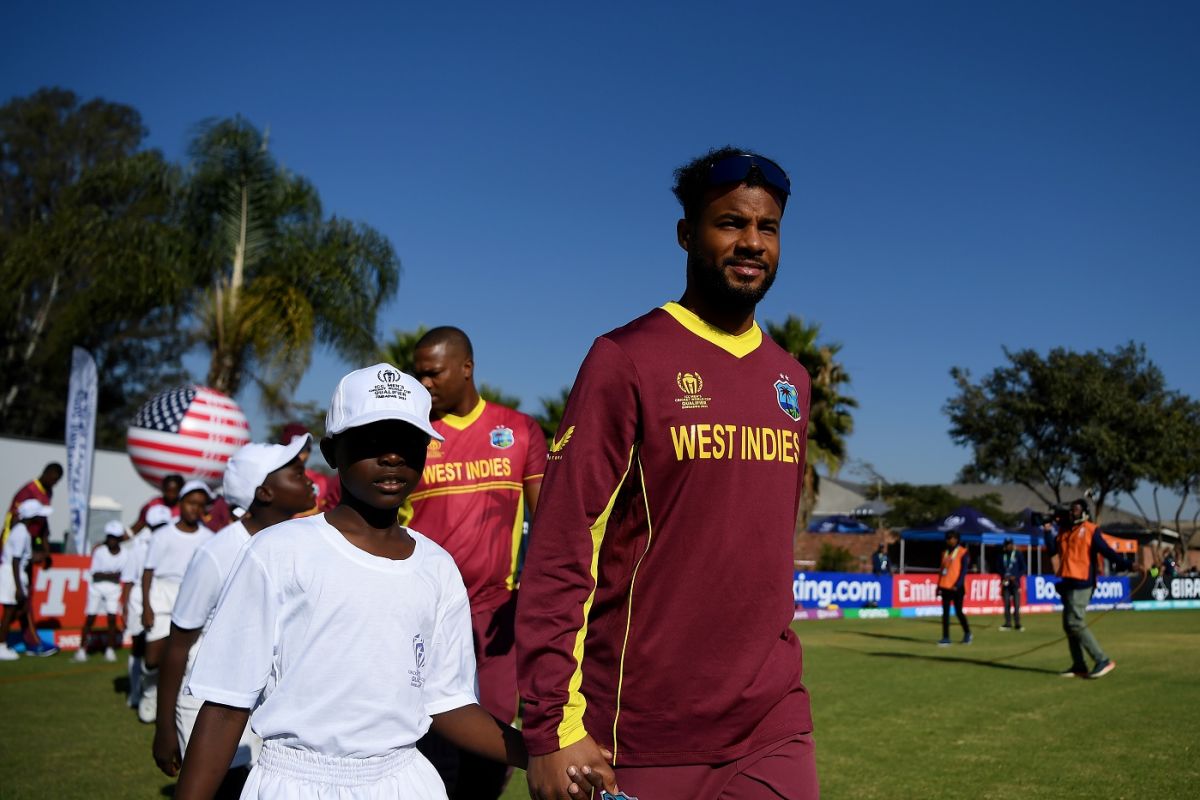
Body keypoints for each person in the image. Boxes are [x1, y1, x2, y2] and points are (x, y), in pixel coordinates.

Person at [516, 147, 819, 800]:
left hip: (772, 722)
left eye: (767, 228)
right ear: (687, 234)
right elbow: (563, 545)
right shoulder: (626, 359)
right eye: (730, 223)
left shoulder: (790, 379)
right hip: (641, 733)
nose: (752, 242)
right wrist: (549, 728)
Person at [175, 365, 577, 800]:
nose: (392, 456)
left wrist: (539, 752)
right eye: (372, 441)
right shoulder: (278, 552)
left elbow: (448, 704)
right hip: (293, 782)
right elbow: (225, 707)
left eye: (408, 442)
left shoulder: (437, 567)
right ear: (333, 452)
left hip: (403, 782)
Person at [407, 325, 548, 799]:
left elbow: (548, 520)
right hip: (423, 611)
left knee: (493, 730)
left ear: (466, 368)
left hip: (495, 612)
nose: (423, 383)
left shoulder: (520, 430)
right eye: (418, 374)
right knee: (425, 731)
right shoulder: (410, 437)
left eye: (433, 373)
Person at [153, 437, 316, 797]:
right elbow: (178, 644)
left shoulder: (300, 543)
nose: (310, 479)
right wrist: (164, 726)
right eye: (297, 472)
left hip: (263, 699)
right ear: (265, 493)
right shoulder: (216, 553)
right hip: (210, 702)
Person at [138, 480, 216, 723]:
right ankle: (149, 689)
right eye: (191, 503)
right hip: (162, 593)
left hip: (192, 595)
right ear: (180, 503)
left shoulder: (210, 537)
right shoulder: (162, 535)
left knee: (188, 655)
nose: (195, 509)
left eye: (200, 505)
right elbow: (148, 572)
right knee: (153, 655)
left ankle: (176, 704)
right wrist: (146, 606)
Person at [1042, 498, 1134, 679]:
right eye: (1071, 509)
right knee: (1068, 626)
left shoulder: (1091, 530)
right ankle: (1079, 665)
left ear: (1084, 512)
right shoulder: (1064, 531)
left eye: (1075, 509)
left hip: (1083, 581)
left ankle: (1102, 660)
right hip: (1067, 581)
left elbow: (1107, 551)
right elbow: (1053, 550)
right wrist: (1046, 532)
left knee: (1075, 622)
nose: (1071, 512)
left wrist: (1127, 564)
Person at [122, 504, 174, 708]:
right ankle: (135, 692)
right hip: (138, 600)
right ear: (149, 527)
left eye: (164, 525)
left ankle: (154, 694)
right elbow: (128, 579)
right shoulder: (139, 547)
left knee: (162, 649)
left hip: (163, 598)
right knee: (138, 647)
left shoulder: (170, 544)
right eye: (156, 526)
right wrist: (126, 606)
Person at [0, 500, 60, 658]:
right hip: (13, 575)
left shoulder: (22, 531)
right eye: (39, 515)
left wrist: (38, 557)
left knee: (21, 609)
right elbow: (15, 560)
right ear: (33, 517)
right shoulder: (21, 533)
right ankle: (1, 645)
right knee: (10, 611)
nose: (42, 519)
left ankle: (2, 639)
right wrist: (18, 587)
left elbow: (22, 557)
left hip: (15, 573)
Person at [74, 520, 129, 662]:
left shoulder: (125, 554)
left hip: (113, 589)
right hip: (96, 588)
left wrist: (108, 575)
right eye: (109, 536)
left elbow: (121, 576)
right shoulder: (100, 551)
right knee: (90, 618)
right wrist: (112, 575)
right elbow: (95, 574)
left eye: (115, 537)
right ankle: (81, 650)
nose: (111, 540)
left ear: (119, 539)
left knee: (111, 619)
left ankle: (110, 650)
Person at [279, 422, 341, 516]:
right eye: (292, 448)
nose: (299, 454)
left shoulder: (323, 482)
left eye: (304, 449)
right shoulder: (269, 480)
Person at [4, 462, 61, 556]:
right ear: (46, 473)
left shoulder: (49, 492)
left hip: (32, 540)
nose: (55, 483)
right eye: (54, 479)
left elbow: (43, 520)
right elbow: (13, 516)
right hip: (17, 540)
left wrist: (45, 548)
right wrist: (12, 540)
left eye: (57, 481)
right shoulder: (30, 490)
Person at [937, 529, 972, 646]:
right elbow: (942, 571)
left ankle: (967, 633)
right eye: (947, 538)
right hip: (945, 586)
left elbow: (963, 571)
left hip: (957, 587)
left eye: (950, 538)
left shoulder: (963, 552)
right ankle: (946, 637)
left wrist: (958, 584)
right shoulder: (945, 552)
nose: (948, 540)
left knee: (958, 612)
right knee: (945, 613)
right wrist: (938, 586)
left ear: (956, 539)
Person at [996, 538, 1026, 631]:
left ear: (1012, 545)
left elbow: (1023, 568)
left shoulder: (1018, 554)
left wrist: (1015, 576)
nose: (1008, 546)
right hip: (1006, 583)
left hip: (1015, 583)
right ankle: (1008, 624)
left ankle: (1017, 624)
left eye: (1010, 544)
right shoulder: (1001, 555)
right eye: (1007, 544)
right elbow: (998, 568)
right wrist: (1003, 576)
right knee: (1006, 604)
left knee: (1016, 605)